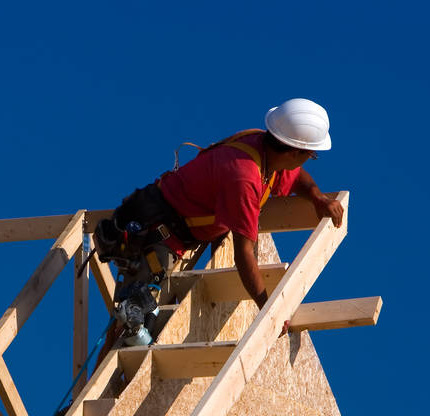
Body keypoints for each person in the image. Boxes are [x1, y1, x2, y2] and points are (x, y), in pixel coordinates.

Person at [94, 98, 345, 346]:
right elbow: (244, 254)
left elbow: (295, 175)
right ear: (293, 151)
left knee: (139, 331)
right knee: (130, 330)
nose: (309, 159)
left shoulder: (263, 146)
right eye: (311, 155)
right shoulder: (245, 179)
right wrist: (267, 309)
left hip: (173, 223)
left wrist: (317, 197)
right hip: (159, 235)